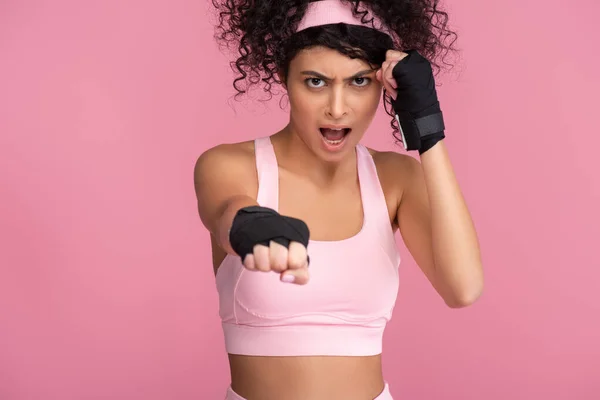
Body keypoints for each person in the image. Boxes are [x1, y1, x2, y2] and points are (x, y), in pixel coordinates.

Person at [194, 0, 484, 398]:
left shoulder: (395, 178)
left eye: (359, 81)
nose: (336, 108)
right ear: (284, 76)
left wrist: (427, 128)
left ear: (384, 84)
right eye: (315, 81)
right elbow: (226, 210)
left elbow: (463, 288)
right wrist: (252, 225)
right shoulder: (230, 164)